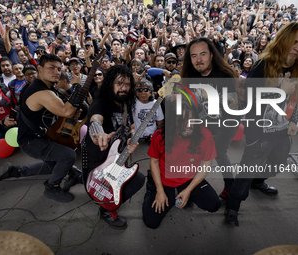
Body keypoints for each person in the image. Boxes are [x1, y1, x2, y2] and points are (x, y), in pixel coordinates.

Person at [225, 22, 298, 226]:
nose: (297, 47)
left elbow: (296, 98)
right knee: (248, 168)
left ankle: (258, 181)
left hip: (282, 129)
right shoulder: (265, 64)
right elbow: (249, 97)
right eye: (294, 41)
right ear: (284, 40)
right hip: (259, 129)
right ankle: (232, 206)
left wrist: (292, 120)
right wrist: (279, 88)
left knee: (278, 163)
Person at [0, 54, 82, 203]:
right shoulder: (41, 92)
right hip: (32, 141)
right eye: (51, 68)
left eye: (59, 69)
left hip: (40, 135)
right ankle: (51, 187)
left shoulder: (46, 87)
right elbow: (66, 111)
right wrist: (77, 86)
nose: (56, 72)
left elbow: (60, 111)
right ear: (39, 68)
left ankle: (15, 171)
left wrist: (70, 112)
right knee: (67, 156)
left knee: (55, 166)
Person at [82, 65, 145, 229]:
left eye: (127, 84)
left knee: (137, 178)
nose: (123, 88)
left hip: (116, 158)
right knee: (137, 181)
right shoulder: (101, 102)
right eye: (119, 83)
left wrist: (132, 138)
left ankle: (78, 177)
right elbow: (95, 119)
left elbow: (130, 126)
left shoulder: (126, 104)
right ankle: (105, 210)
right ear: (110, 84)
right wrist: (99, 133)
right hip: (97, 159)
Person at [142, 97, 221, 229]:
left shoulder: (205, 135)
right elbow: (154, 162)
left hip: (189, 179)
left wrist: (189, 190)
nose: (188, 125)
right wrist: (160, 191)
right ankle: (152, 189)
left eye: (191, 120)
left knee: (214, 205)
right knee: (151, 222)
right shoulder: (160, 135)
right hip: (164, 180)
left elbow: (207, 165)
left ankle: (183, 194)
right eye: (182, 121)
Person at [181, 37, 239, 205]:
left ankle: (230, 187)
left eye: (203, 54)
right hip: (202, 121)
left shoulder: (224, 76)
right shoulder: (190, 76)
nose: (198, 60)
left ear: (212, 55)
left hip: (226, 122)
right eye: (194, 56)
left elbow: (233, 108)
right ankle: (189, 189)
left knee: (219, 151)